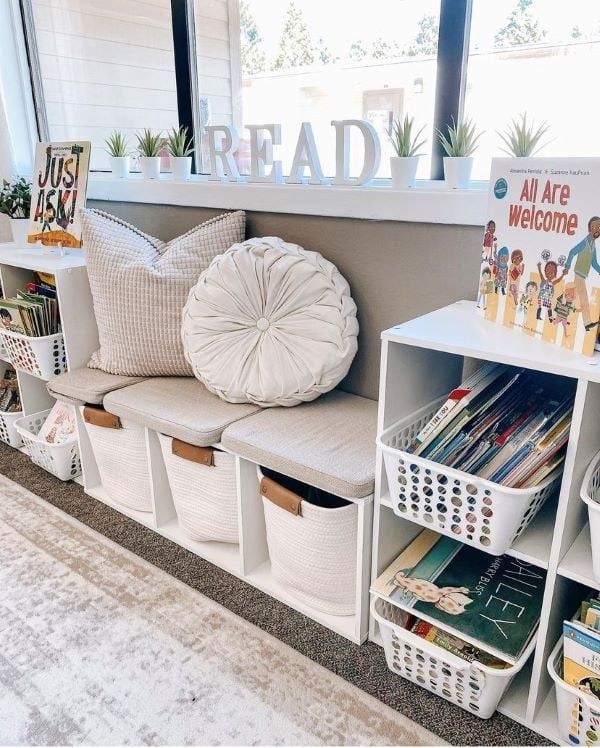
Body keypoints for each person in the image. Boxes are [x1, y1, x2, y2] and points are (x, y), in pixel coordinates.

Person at [564, 216, 600, 331]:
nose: (596, 229)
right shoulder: (585, 242)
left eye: (598, 226)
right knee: (583, 300)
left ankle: (565, 317)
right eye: (593, 226)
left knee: (575, 300)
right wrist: (567, 266)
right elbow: (572, 251)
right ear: (589, 229)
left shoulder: (593, 245)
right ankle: (587, 323)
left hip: (582, 277)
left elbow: (594, 263)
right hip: (578, 275)